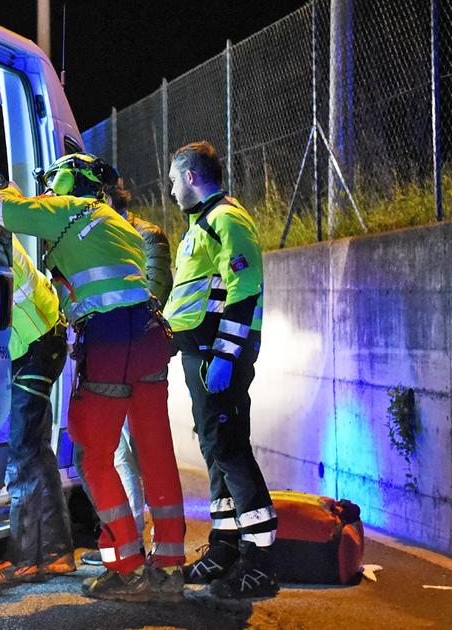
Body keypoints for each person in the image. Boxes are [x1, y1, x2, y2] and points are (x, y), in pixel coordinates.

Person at [0, 153, 186, 602]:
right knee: (155, 451)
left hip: (110, 341)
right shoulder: (117, 222)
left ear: (71, 179)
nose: (50, 189)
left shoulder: (69, 209)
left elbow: (0, 211)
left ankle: (128, 568)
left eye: (55, 180)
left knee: (94, 455)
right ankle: (170, 568)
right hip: (150, 337)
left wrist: (2, 191)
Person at [164, 141, 278, 599]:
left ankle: (261, 564)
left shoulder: (225, 219)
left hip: (217, 357)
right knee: (215, 450)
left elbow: (244, 285)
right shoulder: (202, 225)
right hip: (202, 355)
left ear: (191, 176)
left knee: (230, 450)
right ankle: (225, 548)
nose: (171, 191)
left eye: (173, 180)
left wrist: (226, 356)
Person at [75, 175, 173, 567]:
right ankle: (125, 541)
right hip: (110, 352)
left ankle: (134, 543)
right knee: (113, 452)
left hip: (136, 353)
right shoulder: (98, 237)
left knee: (131, 451)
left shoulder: (145, 235)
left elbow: (153, 293)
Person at [0, 232, 75, 583]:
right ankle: (56, 553)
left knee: (21, 457)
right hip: (43, 343)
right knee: (37, 454)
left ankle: (25, 559)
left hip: (32, 347)